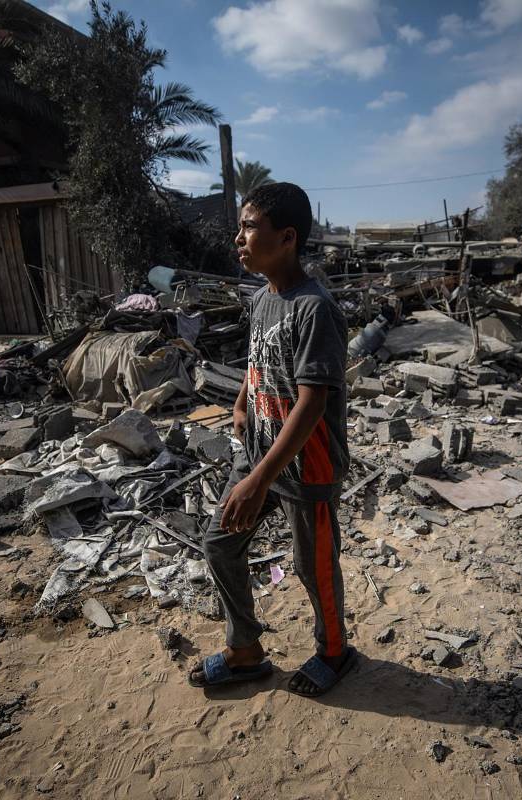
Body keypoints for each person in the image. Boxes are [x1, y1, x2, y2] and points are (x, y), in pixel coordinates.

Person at [189, 182, 355, 697]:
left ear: (286, 238)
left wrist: (260, 480)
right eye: (241, 226)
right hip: (262, 452)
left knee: (313, 567)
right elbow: (260, 361)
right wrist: (241, 403)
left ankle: (335, 651)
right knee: (219, 544)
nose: (238, 237)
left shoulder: (316, 308)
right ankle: (245, 650)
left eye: (249, 226)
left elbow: (311, 404)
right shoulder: (262, 299)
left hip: (309, 467)